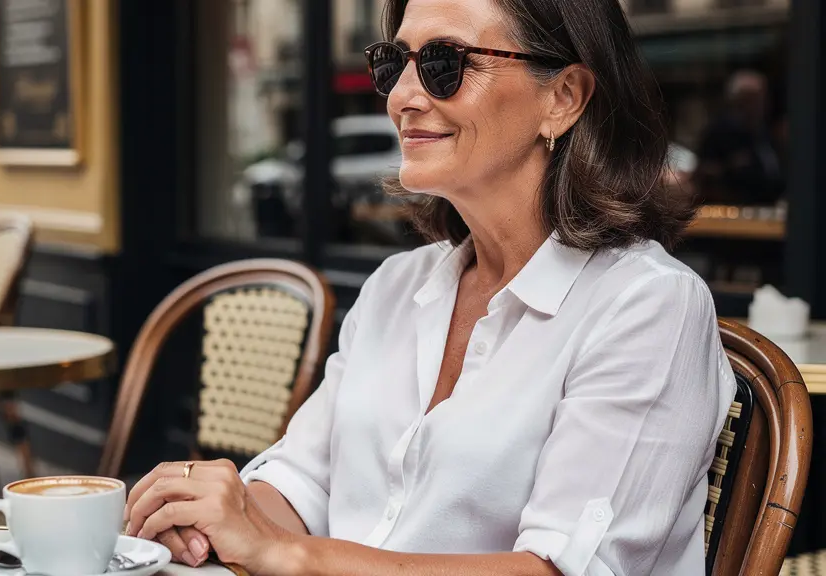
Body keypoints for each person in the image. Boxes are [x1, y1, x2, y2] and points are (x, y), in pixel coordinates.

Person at [125, 1, 735, 574]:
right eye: (393, 64)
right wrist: (212, 519)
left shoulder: (648, 306)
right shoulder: (397, 286)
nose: (403, 97)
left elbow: (561, 569)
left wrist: (290, 555)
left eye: (446, 64)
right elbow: (304, 481)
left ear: (564, 97)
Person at [694, 69, 784, 205]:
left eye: (763, 98)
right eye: (753, 99)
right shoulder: (719, 133)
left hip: (769, 208)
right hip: (733, 212)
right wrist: (729, 167)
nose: (762, 104)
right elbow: (704, 173)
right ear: (737, 101)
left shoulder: (764, 132)